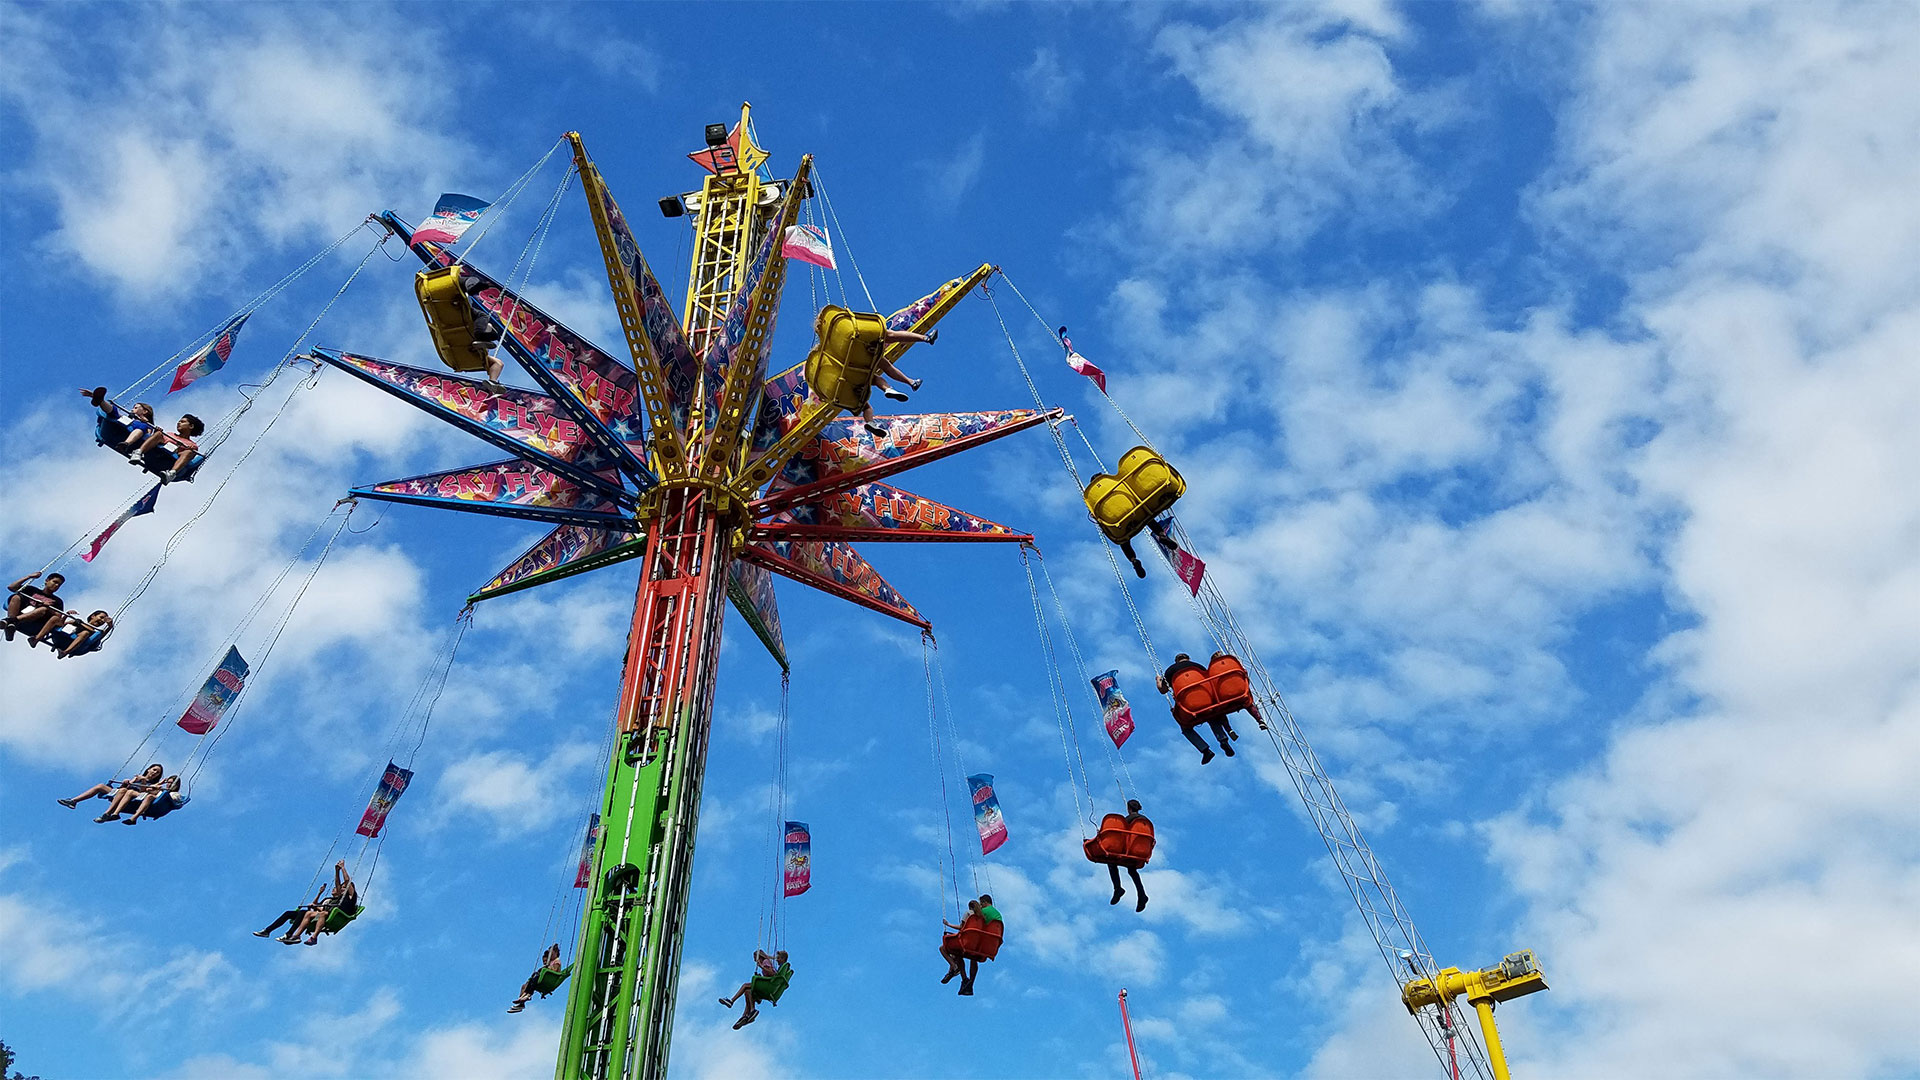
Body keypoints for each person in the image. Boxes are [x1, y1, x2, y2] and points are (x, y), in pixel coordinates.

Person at [1157, 653, 1232, 763]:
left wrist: (1158, 680)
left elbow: (1163, 690)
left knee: (1186, 728)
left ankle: (1205, 750)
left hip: (1187, 706)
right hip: (1206, 700)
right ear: (1189, 659)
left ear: (1176, 661)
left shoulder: (1171, 671)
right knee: (1212, 716)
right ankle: (1223, 740)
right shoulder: (1198, 667)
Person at [279, 861, 358, 945]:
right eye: (341, 888)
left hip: (340, 914)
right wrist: (337, 871)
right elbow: (337, 883)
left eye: (344, 888)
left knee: (323, 913)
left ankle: (314, 937)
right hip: (330, 913)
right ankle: (296, 936)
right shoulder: (339, 897)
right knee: (308, 913)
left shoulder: (351, 896)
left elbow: (347, 881)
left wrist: (343, 868)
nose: (342, 889)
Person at [717, 948, 790, 1029]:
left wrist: (761, 966)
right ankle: (747, 1014)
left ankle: (731, 1001)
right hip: (769, 986)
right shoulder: (768, 962)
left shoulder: (765, 961)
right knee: (748, 991)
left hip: (768, 986)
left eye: (755, 958)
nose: (754, 960)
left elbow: (771, 973)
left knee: (745, 985)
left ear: (759, 957)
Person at [458, 267, 507, 385]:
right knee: (482, 316)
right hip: (469, 343)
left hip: (464, 348)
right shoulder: (456, 282)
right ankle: (481, 336)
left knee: (499, 363)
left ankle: (492, 382)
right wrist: (485, 285)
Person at [59, 763, 163, 817]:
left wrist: (144, 782)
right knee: (100, 786)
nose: (154, 773)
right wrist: (127, 782)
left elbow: (142, 793)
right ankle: (73, 801)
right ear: (149, 769)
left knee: (124, 792)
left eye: (157, 772)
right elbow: (126, 786)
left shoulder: (153, 784)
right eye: (154, 770)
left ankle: (109, 813)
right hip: (122, 792)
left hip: (134, 797)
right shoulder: (138, 777)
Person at [133, 413, 205, 481]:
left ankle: (172, 473)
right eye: (179, 421)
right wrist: (156, 433)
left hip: (168, 463)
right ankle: (138, 453)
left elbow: (182, 455)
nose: (178, 423)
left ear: (191, 426)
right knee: (159, 433)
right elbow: (158, 441)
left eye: (182, 422)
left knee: (190, 451)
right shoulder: (169, 434)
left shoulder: (191, 445)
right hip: (154, 455)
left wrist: (182, 449)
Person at [1108, 800, 1151, 912]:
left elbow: (1119, 835)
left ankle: (1117, 888)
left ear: (1129, 808)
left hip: (1129, 851)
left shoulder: (1127, 820)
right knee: (1132, 870)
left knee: (1111, 862)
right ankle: (1142, 894)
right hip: (1140, 852)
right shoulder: (1146, 821)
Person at [3, 572, 65, 642]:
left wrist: (48, 608)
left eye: (59, 585)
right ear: (47, 581)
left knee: (43, 609)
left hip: (37, 620)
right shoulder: (32, 590)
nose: (56, 585)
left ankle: (11, 621)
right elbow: (11, 587)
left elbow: (58, 617)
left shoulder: (57, 601)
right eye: (55, 582)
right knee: (16, 597)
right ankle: (11, 625)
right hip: (23, 612)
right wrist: (29, 576)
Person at [939, 899, 983, 988]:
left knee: (943, 949)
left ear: (970, 907)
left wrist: (948, 924)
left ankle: (953, 966)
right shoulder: (981, 918)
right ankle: (952, 971)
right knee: (956, 955)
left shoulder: (968, 914)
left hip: (965, 942)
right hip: (975, 944)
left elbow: (961, 927)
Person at [508, 943, 564, 1013]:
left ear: (555, 953)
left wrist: (546, 968)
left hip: (549, 980)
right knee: (526, 984)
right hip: (544, 978)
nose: (550, 956)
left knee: (536, 977)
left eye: (551, 954)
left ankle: (527, 995)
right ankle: (522, 1001)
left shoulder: (557, 961)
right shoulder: (552, 962)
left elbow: (553, 971)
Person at [34, 609, 113, 657]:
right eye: (101, 617)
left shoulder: (94, 633)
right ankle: (36, 639)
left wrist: (109, 626)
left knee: (85, 633)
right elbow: (60, 625)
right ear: (93, 616)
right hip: (60, 637)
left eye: (104, 620)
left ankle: (65, 652)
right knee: (56, 619)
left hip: (78, 647)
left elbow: (101, 636)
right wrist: (66, 615)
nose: (102, 621)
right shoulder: (77, 621)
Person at [122, 775, 188, 824]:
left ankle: (134, 818)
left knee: (150, 796)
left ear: (176, 785)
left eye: (171, 783)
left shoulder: (175, 794)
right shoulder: (161, 791)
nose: (169, 784)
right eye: (168, 782)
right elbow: (146, 790)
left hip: (160, 806)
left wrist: (162, 795)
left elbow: (173, 800)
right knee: (145, 795)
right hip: (149, 804)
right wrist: (158, 785)